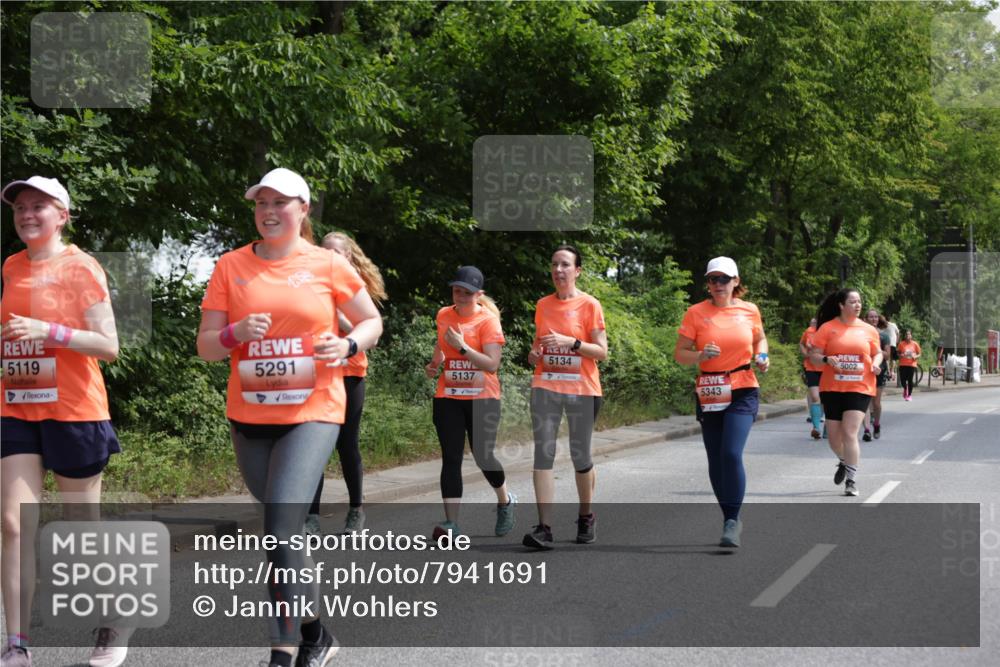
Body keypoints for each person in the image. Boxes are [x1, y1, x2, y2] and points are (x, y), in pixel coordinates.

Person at [197, 168, 382, 667]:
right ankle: (316, 631)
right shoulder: (230, 266)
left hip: (314, 409)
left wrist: (345, 344)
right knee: (286, 531)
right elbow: (207, 346)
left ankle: (282, 650)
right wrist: (235, 333)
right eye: (262, 203)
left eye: (281, 203)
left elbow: (371, 321)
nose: (269, 211)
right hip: (250, 416)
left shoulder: (327, 265)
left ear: (303, 211)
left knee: (279, 526)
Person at [1, 177, 125, 667]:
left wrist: (48, 331)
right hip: (17, 405)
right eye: (20, 208)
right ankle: (17, 643)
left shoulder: (81, 267)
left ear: (63, 216)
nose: (28, 214)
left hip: (74, 409)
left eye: (39, 206)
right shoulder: (11, 266)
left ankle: (113, 619)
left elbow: (108, 345)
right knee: (13, 525)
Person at [674, 257, 769, 548]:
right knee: (715, 458)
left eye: (724, 279)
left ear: (736, 282)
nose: (717, 285)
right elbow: (680, 354)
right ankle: (729, 517)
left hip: (742, 387)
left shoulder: (749, 310)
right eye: (713, 280)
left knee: (730, 453)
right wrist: (700, 355)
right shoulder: (695, 313)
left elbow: (760, 340)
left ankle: (732, 519)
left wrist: (763, 356)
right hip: (710, 389)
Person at [522, 246, 608, 550]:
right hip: (546, 386)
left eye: (565, 265)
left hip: (582, 389)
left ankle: (586, 516)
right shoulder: (543, 305)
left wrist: (571, 342)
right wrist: (534, 355)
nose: (559, 270)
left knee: (579, 455)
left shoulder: (590, 305)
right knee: (542, 454)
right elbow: (537, 349)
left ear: (577, 271)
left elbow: (601, 352)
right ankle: (544, 528)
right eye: (554, 264)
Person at [424, 266, 516, 540]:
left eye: (466, 292)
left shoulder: (488, 322)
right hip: (448, 396)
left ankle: (505, 500)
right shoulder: (443, 314)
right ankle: (451, 524)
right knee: (451, 458)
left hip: (483, 399)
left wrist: (463, 347)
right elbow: (442, 343)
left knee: (483, 457)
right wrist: (435, 362)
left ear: (479, 294)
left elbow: (492, 364)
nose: (460, 296)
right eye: (456, 291)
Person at [304, 232, 387, 537]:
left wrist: (339, 314)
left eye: (336, 252)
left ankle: (356, 511)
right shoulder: (311, 284)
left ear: (349, 257)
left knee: (345, 443)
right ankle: (311, 516)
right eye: (324, 250)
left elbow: (371, 338)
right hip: (317, 373)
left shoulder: (354, 288)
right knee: (316, 445)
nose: (329, 256)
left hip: (350, 373)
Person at [808, 289, 883, 497]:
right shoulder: (828, 328)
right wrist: (825, 360)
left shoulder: (868, 330)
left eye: (859, 301)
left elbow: (877, 353)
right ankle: (843, 460)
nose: (858, 305)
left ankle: (851, 480)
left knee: (850, 432)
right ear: (842, 305)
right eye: (853, 302)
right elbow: (814, 355)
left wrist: (876, 364)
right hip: (832, 387)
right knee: (833, 438)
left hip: (860, 386)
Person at [862, 309, 891, 440]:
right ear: (866, 319)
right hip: (864, 369)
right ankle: (867, 430)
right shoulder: (861, 334)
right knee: (865, 401)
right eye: (871, 317)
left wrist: (876, 351)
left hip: (880, 369)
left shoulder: (884, 335)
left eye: (875, 317)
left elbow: (888, 355)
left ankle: (877, 424)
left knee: (876, 402)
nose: (873, 319)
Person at [799, 317, 824, 440]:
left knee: (825, 399)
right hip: (811, 368)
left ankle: (828, 428)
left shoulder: (830, 330)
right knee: (815, 397)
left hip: (827, 369)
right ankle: (816, 428)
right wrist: (805, 353)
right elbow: (802, 343)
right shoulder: (809, 331)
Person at [897, 330, 921, 401]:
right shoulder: (901, 344)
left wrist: (915, 357)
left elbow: (919, 353)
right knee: (902, 380)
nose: (908, 336)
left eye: (909, 335)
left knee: (910, 380)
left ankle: (909, 395)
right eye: (906, 335)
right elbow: (898, 353)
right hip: (903, 364)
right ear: (905, 336)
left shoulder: (915, 344)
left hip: (911, 364)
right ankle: (905, 388)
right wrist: (901, 355)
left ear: (911, 336)